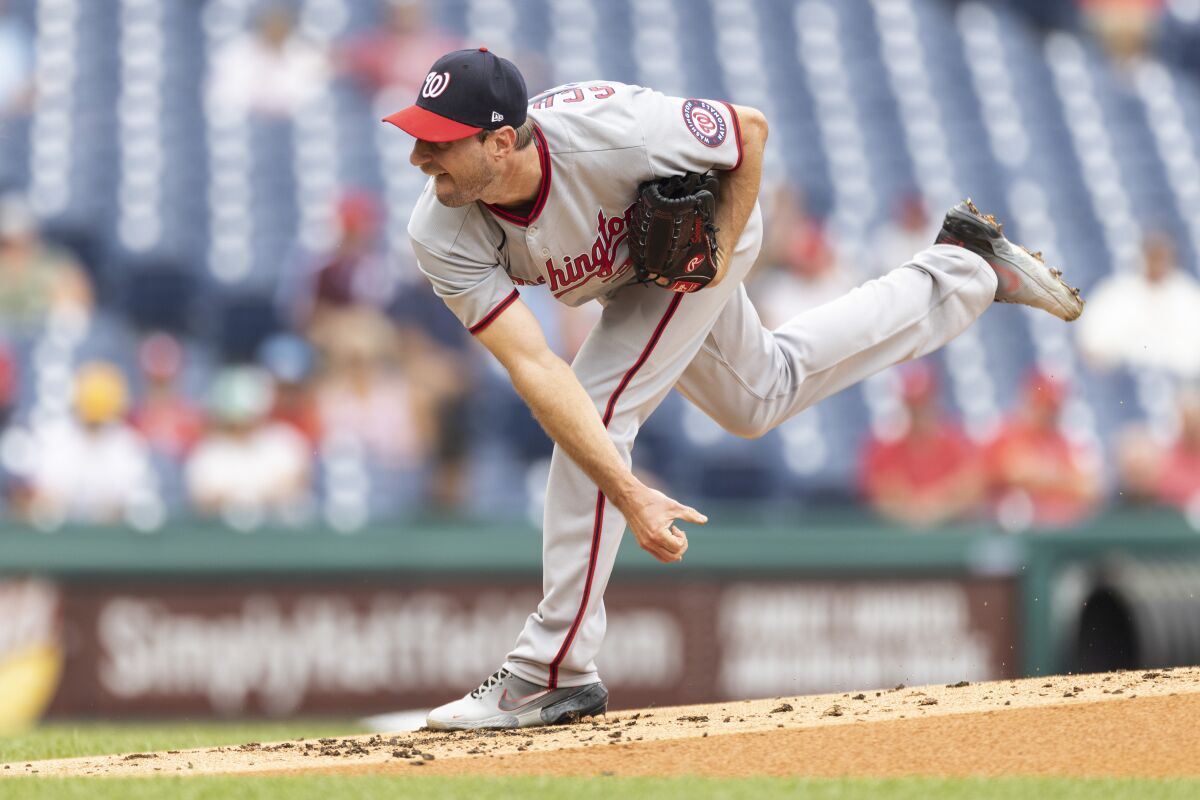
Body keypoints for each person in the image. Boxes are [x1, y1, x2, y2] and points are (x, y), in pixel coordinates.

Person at [382, 48, 1084, 730]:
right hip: (638, 271)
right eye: (420, 138)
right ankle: (964, 270)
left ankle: (552, 670)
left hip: (702, 233)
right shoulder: (439, 230)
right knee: (759, 396)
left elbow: (747, 130)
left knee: (596, 412)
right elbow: (535, 367)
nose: (420, 158)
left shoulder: (612, 132)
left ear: (502, 141)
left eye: (439, 142)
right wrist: (627, 492)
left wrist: (713, 250)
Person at [859, 362, 984, 529]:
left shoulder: (956, 443)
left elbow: (971, 488)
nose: (918, 410)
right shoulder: (886, 448)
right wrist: (924, 508)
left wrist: (932, 508)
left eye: (923, 403)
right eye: (913, 405)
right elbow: (882, 496)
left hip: (949, 534)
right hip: (901, 540)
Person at [984, 371, 1102, 531]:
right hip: (1018, 529)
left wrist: (1047, 475)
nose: (1048, 413)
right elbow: (1018, 472)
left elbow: (1089, 487)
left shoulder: (1061, 441)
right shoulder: (1010, 432)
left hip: (1061, 527)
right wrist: (1063, 478)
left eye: (1053, 408)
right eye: (1043, 405)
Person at [1076, 231, 1200, 379]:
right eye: (1153, 256)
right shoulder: (1117, 291)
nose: (1157, 263)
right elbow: (1090, 343)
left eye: (1162, 257)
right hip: (1123, 381)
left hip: (1177, 384)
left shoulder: (1187, 296)